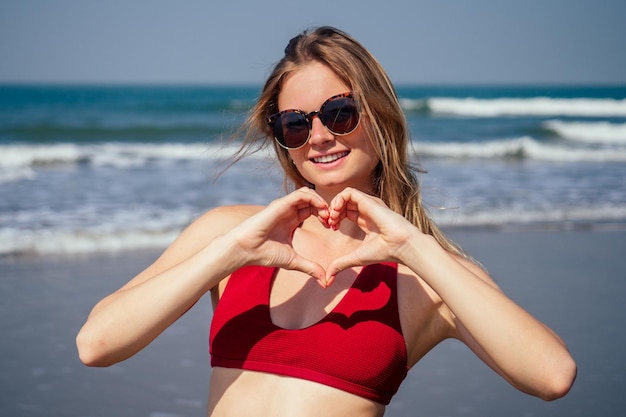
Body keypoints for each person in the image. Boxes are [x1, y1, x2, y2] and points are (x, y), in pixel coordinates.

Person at [76, 26, 576, 416]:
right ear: (283, 141)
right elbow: (96, 345)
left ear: (380, 116)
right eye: (294, 123)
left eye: (339, 113)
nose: (317, 137)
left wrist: (414, 247)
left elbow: (552, 376)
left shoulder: (427, 274)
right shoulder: (231, 233)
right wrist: (229, 255)